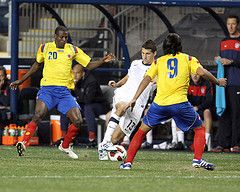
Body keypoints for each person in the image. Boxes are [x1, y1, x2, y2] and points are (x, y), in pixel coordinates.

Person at [120, 33, 226, 170]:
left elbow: (146, 79)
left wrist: (134, 98)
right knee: (199, 129)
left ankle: (127, 163)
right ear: (180, 45)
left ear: (164, 46)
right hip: (180, 104)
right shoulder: (188, 58)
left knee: (141, 132)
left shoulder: (159, 61)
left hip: (159, 105)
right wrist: (217, 81)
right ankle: (197, 159)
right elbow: (203, 73)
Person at [10, 25, 114, 158]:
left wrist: (102, 61)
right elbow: (36, 65)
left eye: (66, 37)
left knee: (78, 121)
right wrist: (21, 80)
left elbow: (88, 65)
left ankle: (65, 146)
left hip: (64, 93)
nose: (64, 39)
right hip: (47, 90)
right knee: (38, 114)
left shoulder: (73, 49)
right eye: (61, 37)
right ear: (55, 37)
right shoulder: (44, 48)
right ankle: (23, 143)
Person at [98, 40, 157, 160]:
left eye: (148, 54)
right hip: (124, 94)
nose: (144, 56)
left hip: (138, 105)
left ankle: (108, 145)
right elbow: (128, 77)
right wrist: (117, 84)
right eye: (143, 53)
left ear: (154, 53)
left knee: (115, 138)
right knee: (122, 107)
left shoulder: (158, 69)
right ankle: (104, 144)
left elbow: (158, 84)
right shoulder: (135, 63)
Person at [60, 64, 110, 147]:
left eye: (77, 73)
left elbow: (88, 100)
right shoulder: (72, 81)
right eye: (73, 73)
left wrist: (75, 89)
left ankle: (92, 138)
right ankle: (65, 138)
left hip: (99, 106)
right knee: (66, 108)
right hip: (83, 105)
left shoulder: (91, 81)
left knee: (88, 108)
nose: (75, 76)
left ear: (83, 73)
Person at [212, 15, 240, 153]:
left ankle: (236, 144)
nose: (230, 26)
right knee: (223, 111)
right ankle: (222, 144)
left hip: (237, 83)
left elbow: (234, 61)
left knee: (236, 114)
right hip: (224, 83)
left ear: (237, 25)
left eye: (233, 24)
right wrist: (219, 60)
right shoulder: (223, 41)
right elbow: (222, 60)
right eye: (228, 24)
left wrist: (232, 62)